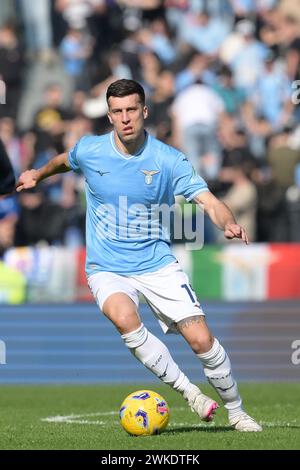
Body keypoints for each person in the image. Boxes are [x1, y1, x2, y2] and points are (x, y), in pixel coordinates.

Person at [16, 79, 262, 432]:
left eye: (131, 109)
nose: (125, 118)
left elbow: (208, 201)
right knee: (122, 316)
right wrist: (37, 174)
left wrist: (228, 223)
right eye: (117, 111)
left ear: (144, 111)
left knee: (200, 340)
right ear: (110, 115)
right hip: (106, 266)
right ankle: (190, 393)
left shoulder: (168, 159)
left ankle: (237, 411)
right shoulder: (91, 150)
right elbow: (64, 161)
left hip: (156, 263)